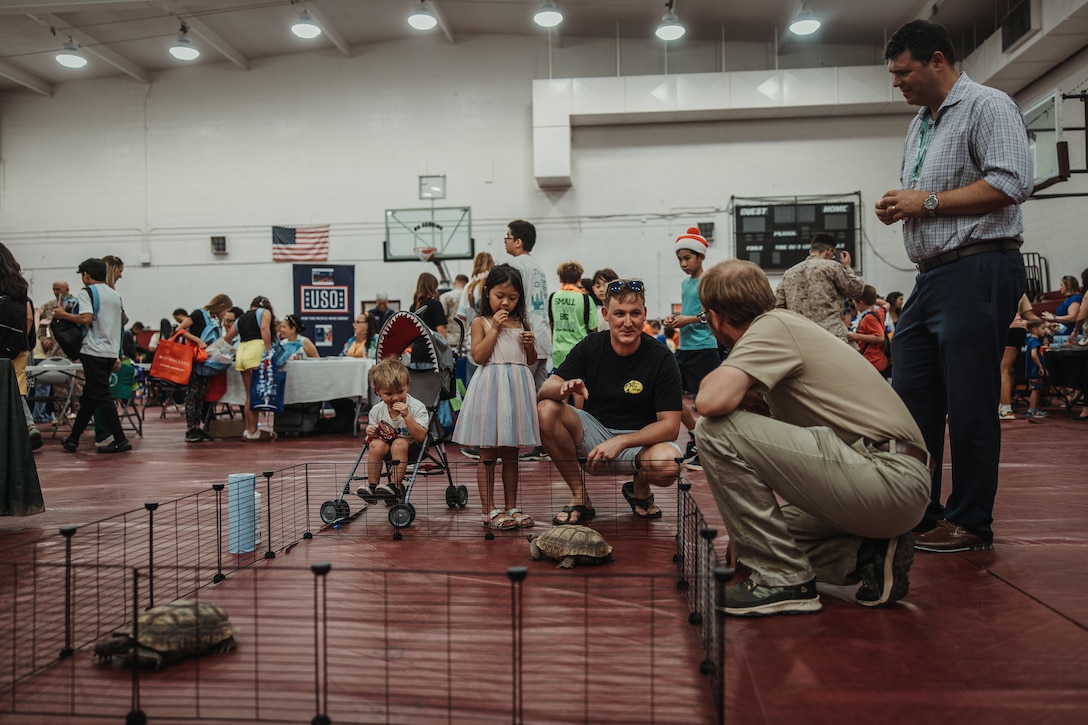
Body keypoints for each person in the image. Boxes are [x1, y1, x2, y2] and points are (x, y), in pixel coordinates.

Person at [693, 260, 931, 616]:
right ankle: (868, 553)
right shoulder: (786, 326)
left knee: (713, 430)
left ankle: (783, 579)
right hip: (888, 482)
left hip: (886, 477)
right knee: (751, 540)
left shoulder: (770, 328)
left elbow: (709, 402)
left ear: (714, 317)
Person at [875, 19, 1031, 553]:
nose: (897, 83)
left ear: (937, 60)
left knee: (969, 401)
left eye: (904, 72)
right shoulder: (921, 123)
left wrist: (929, 202)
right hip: (933, 275)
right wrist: (903, 204)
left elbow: (1012, 182)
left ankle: (970, 521)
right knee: (911, 400)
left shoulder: (990, 105)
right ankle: (920, 511)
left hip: (980, 267)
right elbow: (926, 194)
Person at [536, 278, 683, 525]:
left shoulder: (662, 358)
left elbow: (671, 426)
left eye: (635, 313)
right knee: (546, 409)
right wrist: (563, 388)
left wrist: (621, 441)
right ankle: (579, 495)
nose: (628, 322)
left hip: (640, 442)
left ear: (644, 314)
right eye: (619, 314)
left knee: (670, 466)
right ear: (606, 314)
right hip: (594, 437)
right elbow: (544, 390)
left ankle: (640, 487)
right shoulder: (591, 346)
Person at [453, 264, 540, 530]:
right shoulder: (481, 321)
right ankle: (488, 509)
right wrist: (495, 330)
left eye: (512, 298)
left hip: (516, 387)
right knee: (488, 452)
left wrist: (530, 345)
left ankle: (511, 505)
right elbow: (479, 356)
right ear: (487, 292)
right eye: (500, 295)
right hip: (491, 387)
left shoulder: (522, 321)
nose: (506, 302)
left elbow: (531, 360)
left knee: (511, 453)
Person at [54, 258, 132, 454]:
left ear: (86, 275)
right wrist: (116, 354)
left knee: (102, 395)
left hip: (93, 350)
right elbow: (117, 326)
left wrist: (63, 315)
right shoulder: (115, 295)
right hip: (109, 352)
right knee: (90, 396)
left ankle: (120, 439)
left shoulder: (86, 292)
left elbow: (86, 318)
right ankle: (73, 439)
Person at [662, 227, 722, 470]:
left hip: (704, 348)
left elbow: (713, 313)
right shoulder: (685, 284)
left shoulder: (708, 281)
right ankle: (696, 436)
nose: (683, 264)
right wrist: (675, 319)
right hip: (685, 346)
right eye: (679, 259)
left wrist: (687, 319)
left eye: (687, 258)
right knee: (671, 392)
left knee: (705, 401)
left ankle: (708, 447)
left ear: (701, 257)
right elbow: (690, 312)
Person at [505, 220, 551, 462]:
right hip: (543, 334)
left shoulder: (516, 264)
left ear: (518, 241)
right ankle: (544, 443)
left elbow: (512, 298)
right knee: (540, 395)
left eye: (508, 236)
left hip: (527, 334)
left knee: (514, 393)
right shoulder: (538, 266)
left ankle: (504, 444)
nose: (505, 240)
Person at [774, 231, 864, 343]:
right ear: (829, 251)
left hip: (800, 337)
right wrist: (847, 268)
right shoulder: (832, 267)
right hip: (830, 335)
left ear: (810, 251)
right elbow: (856, 289)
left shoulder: (789, 273)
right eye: (833, 254)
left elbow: (778, 306)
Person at [361, 358, 429, 501]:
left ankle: (395, 486)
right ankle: (373, 487)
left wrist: (407, 416)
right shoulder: (377, 410)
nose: (396, 398)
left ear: (408, 386)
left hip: (413, 448)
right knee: (375, 444)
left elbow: (421, 437)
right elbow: (372, 438)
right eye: (389, 394)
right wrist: (371, 432)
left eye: (400, 391)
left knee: (399, 443)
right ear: (378, 392)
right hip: (386, 448)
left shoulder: (417, 407)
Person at [175, 294, 233, 442]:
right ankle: (190, 428)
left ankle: (197, 426)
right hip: (195, 359)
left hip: (206, 360)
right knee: (192, 395)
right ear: (220, 306)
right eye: (226, 310)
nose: (225, 314)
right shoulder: (198, 314)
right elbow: (180, 329)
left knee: (201, 395)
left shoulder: (213, 319)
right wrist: (198, 340)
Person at [0, 243, 40, 449]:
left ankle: (21, 426)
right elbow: (28, 317)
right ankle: (29, 424)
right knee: (17, 387)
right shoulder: (18, 283)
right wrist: (24, 340)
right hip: (18, 343)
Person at [224, 295, 276, 441]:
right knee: (256, 394)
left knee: (249, 395)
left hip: (242, 352)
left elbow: (228, 338)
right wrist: (268, 350)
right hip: (256, 351)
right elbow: (264, 328)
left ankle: (248, 429)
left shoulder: (241, 318)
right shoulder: (264, 312)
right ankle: (253, 431)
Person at [548, 260, 596, 371]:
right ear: (579, 279)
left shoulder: (553, 298)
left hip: (558, 354)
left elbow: (551, 325)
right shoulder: (586, 299)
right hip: (580, 354)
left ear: (560, 279)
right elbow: (594, 329)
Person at [999, 295, 1037, 420]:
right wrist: (1044, 323)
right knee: (1008, 370)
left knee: (1002, 369)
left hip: (1007, 328)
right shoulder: (1019, 289)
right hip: (1019, 329)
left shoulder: (992, 285)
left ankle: (1006, 408)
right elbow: (1029, 315)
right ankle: (1002, 404)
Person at [847, 285, 890, 378]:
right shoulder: (880, 312)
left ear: (861, 303)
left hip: (872, 361)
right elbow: (887, 304)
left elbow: (880, 337)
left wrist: (857, 336)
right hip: (879, 359)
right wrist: (872, 299)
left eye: (855, 302)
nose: (854, 304)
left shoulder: (869, 318)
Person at [1023, 319, 1049, 422]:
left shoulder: (1031, 340)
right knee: (1035, 390)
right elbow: (1034, 355)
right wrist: (1040, 367)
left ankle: (1034, 409)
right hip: (1035, 370)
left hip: (1035, 369)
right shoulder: (1034, 341)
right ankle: (1031, 410)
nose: (1045, 331)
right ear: (1034, 329)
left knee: (1037, 390)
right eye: (1043, 328)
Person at [440, 274, 469, 349]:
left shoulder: (445, 297)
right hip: (467, 340)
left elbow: (441, 319)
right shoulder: (470, 297)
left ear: (454, 283)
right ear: (466, 284)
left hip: (450, 340)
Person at [589, 268, 619, 332]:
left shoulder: (621, 310)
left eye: (605, 285)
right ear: (593, 289)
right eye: (598, 286)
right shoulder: (598, 313)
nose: (601, 289)